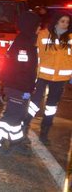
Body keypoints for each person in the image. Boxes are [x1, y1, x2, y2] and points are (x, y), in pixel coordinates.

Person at [0, 11, 41, 155]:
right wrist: (26, 88)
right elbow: (21, 71)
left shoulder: (27, 41)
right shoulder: (24, 44)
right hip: (17, 87)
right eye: (37, 26)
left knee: (18, 116)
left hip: (21, 87)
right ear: (30, 26)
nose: (39, 29)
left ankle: (16, 142)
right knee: (11, 116)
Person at [23, 13, 72, 145]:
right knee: (34, 103)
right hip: (42, 76)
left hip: (61, 79)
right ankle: (24, 126)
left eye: (67, 22)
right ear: (56, 21)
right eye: (62, 21)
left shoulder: (71, 38)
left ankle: (45, 132)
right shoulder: (43, 34)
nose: (65, 24)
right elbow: (35, 54)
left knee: (51, 107)